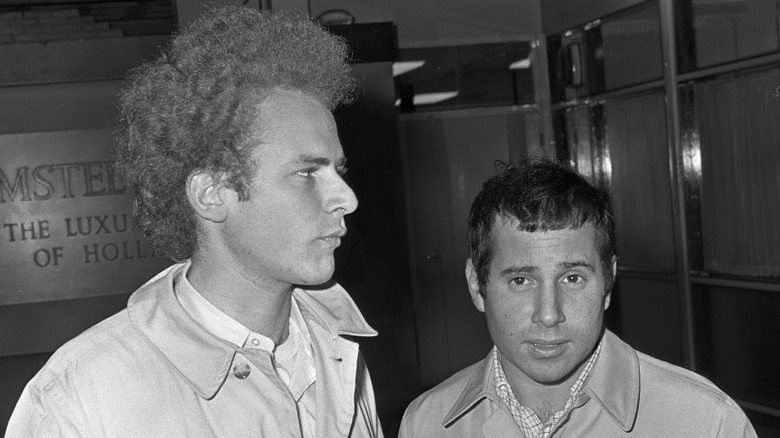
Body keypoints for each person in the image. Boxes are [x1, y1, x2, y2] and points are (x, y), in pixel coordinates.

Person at [7, 5, 384, 437]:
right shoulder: (80, 399)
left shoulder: (336, 349)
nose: (347, 199)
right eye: (306, 173)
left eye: (339, 171)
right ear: (211, 194)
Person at [399, 158, 756, 437]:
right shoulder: (426, 425)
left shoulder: (706, 423)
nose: (550, 314)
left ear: (608, 282)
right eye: (521, 280)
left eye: (572, 278)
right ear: (477, 285)